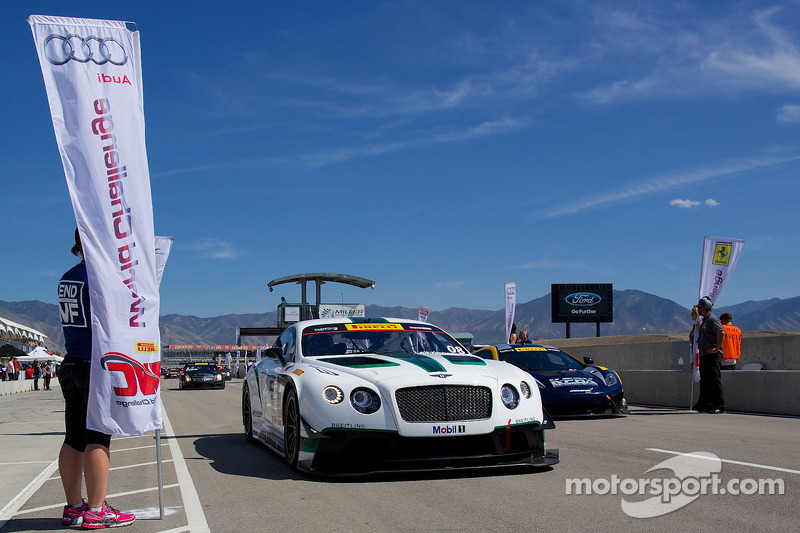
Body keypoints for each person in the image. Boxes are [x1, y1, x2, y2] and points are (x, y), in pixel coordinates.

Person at [58, 228, 135, 528]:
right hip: (96, 364)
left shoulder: (67, 277)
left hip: (71, 360)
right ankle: (97, 509)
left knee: (73, 437)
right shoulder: (101, 277)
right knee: (98, 437)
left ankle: (73, 506)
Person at [696, 297, 726, 413]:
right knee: (705, 380)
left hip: (712, 355)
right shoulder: (705, 320)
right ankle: (706, 403)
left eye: (699, 308)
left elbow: (721, 332)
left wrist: (717, 348)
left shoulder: (713, 319)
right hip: (704, 355)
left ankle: (719, 404)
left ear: (704, 309)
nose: (698, 310)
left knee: (714, 380)